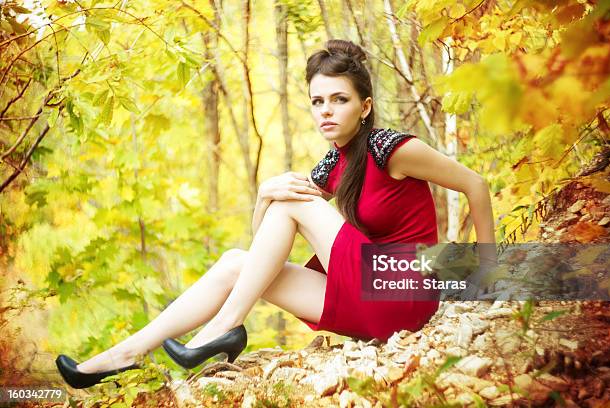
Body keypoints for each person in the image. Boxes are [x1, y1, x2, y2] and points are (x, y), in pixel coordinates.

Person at [56, 39, 496, 389]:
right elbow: (263, 246)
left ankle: (224, 329)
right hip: (370, 300)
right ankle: (120, 357)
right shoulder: (332, 165)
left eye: (339, 99)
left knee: (288, 199)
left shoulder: (394, 150)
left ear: (364, 107)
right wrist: (263, 196)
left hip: (404, 290)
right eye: (317, 100)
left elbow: (475, 185)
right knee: (234, 262)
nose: (325, 110)